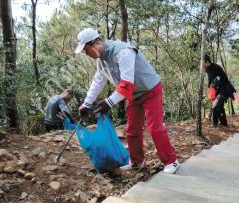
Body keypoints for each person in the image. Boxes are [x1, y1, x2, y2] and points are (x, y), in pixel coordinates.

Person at [74, 28, 179, 174]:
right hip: (134, 95)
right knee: (131, 130)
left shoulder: (122, 51)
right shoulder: (101, 61)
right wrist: (86, 103)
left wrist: (108, 103)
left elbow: (127, 84)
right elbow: (98, 81)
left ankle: (171, 161)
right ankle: (136, 161)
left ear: (96, 42)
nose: (87, 54)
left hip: (150, 89)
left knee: (154, 127)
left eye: (86, 50)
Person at [203, 55, 236, 127]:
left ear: (207, 62)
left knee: (216, 105)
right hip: (216, 90)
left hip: (224, 89)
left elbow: (224, 79)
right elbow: (210, 78)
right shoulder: (207, 69)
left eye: (202, 62)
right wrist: (209, 88)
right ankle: (224, 123)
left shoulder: (216, 68)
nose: (201, 64)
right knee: (220, 107)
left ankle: (214, 124)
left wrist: (215, 84)